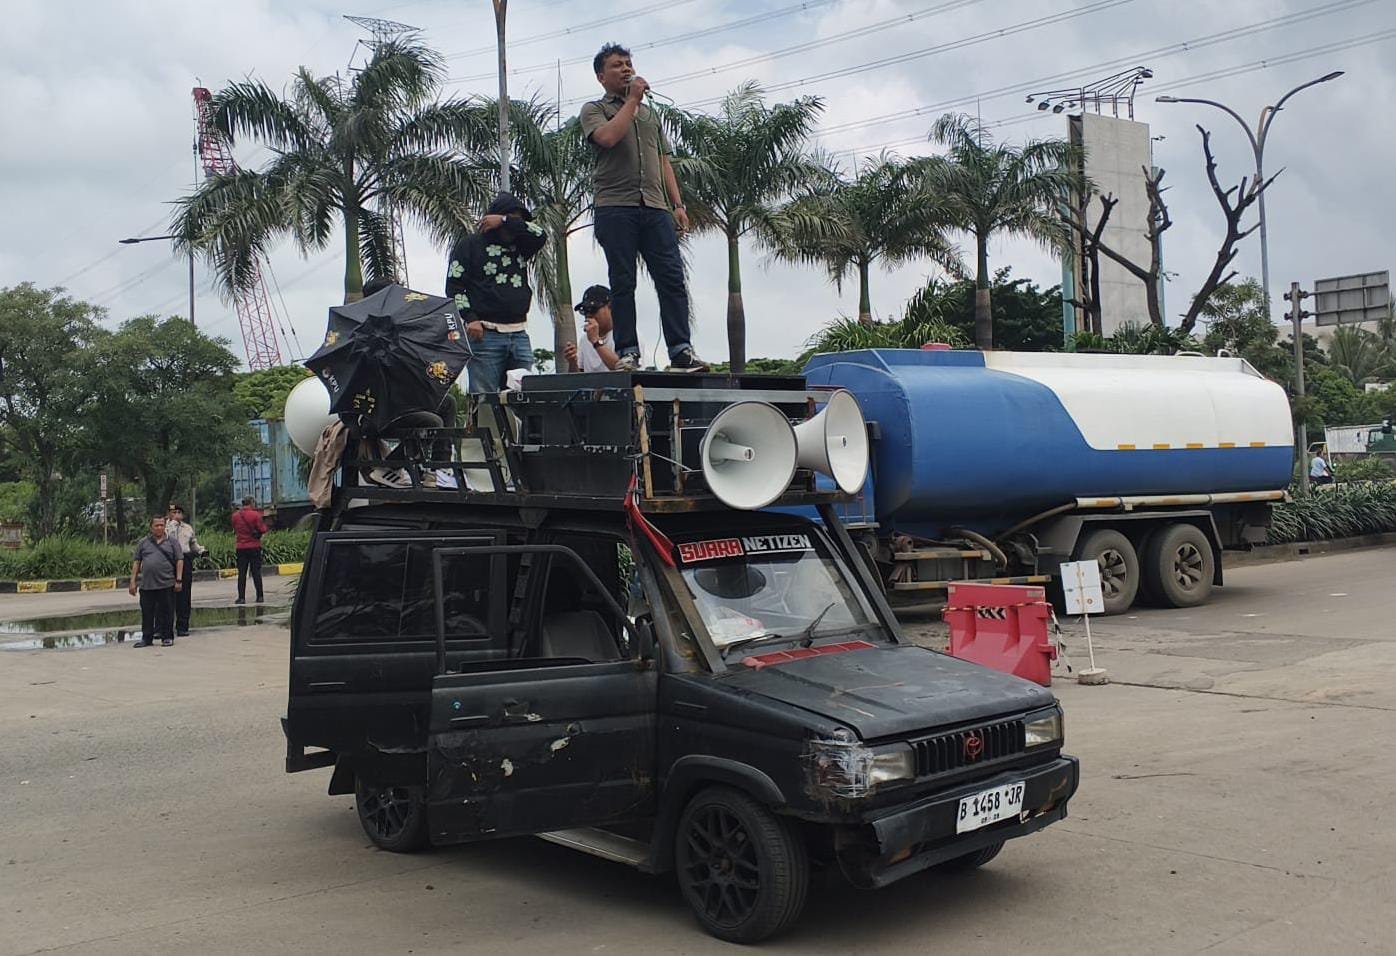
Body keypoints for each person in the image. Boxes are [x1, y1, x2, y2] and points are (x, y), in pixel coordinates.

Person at [580, 43, 706, 372]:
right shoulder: (594, 109)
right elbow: (608, 138)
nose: (626, 69)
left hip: (655, 206)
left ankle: (681, 350)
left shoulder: (650, 115)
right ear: (601, 76)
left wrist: (677, 203)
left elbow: (663, 159)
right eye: (617, 65)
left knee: (672, 279)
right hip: (615, 206)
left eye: (628, 63)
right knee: (623, 283)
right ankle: (628, 351)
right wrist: (633, 100)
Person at [446, 192, 545, 394]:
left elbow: (540, 235)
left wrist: (505, 220)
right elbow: (454, 286)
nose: (513, 226)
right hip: (485, 334)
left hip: (518, 333)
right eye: (510, 218)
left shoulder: (521, 245)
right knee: (485, 399)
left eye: (518, 221)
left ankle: (521, 428)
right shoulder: (470, 245)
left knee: (524, 395)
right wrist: (470, 318)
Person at [128, 516, 184, 647]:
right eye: (156, 525)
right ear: (151, 527)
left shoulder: (172, 542)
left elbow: (179, 560)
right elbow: (137, 562)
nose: (159, 528)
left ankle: (167, 637)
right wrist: (132, 581)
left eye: (161, 525)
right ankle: (147, 638)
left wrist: (179, 580)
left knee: (167, 611)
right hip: (147, 585)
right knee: (147, 612)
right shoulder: (143, 543)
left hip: (166, 583)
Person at [165, 504, 206, 636]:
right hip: (169, 561)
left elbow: (193, 544)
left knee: (184, 594)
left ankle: (183, 626)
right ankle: (164, 627)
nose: (176, 514)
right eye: (173, 512)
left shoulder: (187, 528)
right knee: (166, 595)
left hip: (185, 559)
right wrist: (172, 524)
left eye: (178, 512)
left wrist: (201, 551)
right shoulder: (164, 527)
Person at [564, 285, 622, 372]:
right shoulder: (584, 340)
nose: (588, 315)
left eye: (593, 309)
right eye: (585, 311)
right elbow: (577, 380)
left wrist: (596, 342)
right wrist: (572, 362)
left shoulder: (627, 336)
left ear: (610, 307)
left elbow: (623, 370)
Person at [231, 496, 267, 604]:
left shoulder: (235, 516)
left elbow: (234, 528)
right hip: (254, 546)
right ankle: (260, 596)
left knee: (242, 573)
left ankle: (241, 598)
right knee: (256, 572)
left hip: (241, 547)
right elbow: (263, 529)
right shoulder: (256, 515)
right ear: (251, 503)